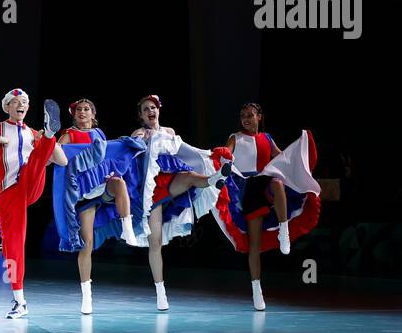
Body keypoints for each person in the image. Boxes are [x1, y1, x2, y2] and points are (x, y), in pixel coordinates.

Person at [0, 90, 67, 318]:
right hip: (8, 193)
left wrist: (46, 140)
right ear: (7, 107)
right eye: (16, 102)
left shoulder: (30, 133)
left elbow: (62, 160)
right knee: (12, 245)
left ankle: (50, 133)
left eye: (25, 102)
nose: (21, 105)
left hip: (31, 185)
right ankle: (20, 300)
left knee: (34, 162)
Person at [213, 102, 322, 310]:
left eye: (250, 115)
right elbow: (226, 153)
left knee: (278, 182)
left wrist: (299, 158)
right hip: (247, 189)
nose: (245, 118)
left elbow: (282, 159)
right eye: (242, 115)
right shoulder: (235, 137)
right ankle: (256, 289)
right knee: (255, 245)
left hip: (266, 182)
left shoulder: (267, 138)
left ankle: (284, 231)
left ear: (259, 117)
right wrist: (222, 154)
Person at [127, 94, 230, 311]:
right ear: (141, 116)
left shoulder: (170, 132)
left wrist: (206, 156)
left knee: (192, 175)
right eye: (145, 109)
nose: (150, 111)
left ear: (158, 110)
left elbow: (184, 151)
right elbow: (132, 152)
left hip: (171, 182)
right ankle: (160, 291)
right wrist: (142, 139)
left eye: (153, 107)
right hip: (151, 193)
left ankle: (214, 179)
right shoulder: (139, 133)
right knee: (155, 243)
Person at [51, 98, 140, 314]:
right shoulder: (69, 134)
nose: (83, 112)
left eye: (87, 109)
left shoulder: (99, 134)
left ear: (93, 113)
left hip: (101, 187)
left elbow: (107, 155)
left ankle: (128, 231)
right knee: (86, 244)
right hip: (82, 195)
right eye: (79, 110)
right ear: (74, 115)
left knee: (119, 183)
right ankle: (86, 296)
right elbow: (58, 157)